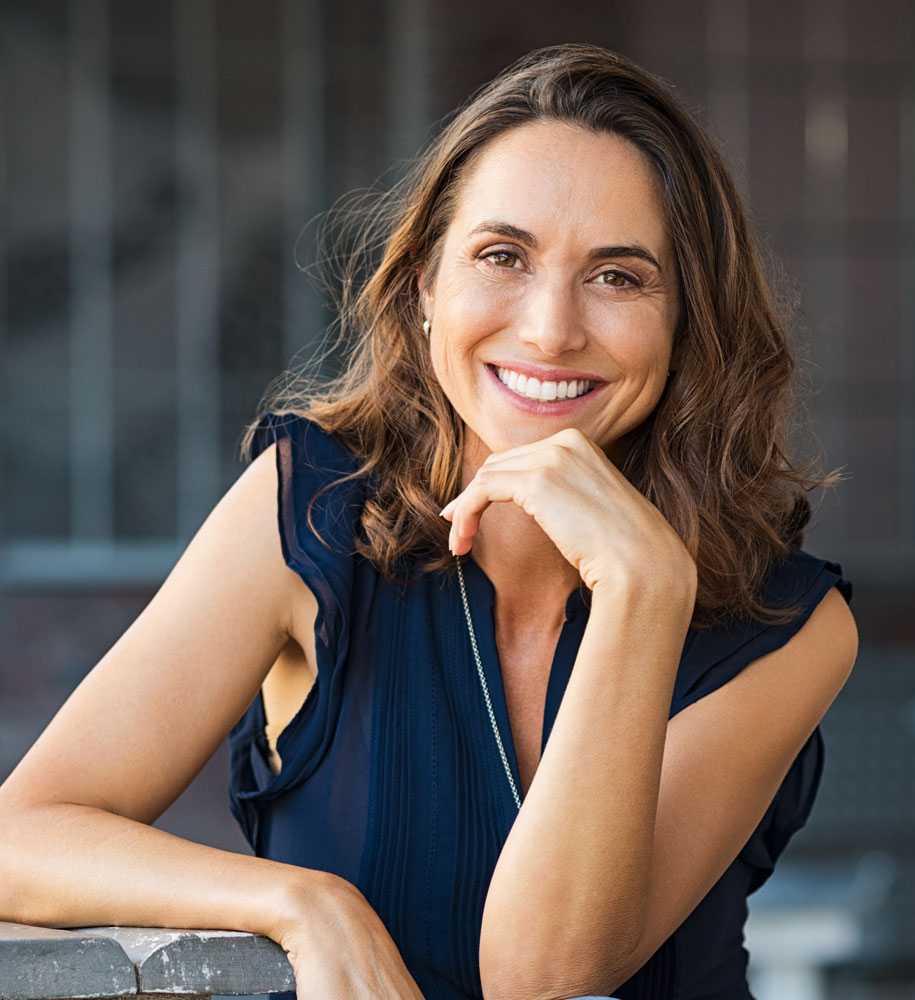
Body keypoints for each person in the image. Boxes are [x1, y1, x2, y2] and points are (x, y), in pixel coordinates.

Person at [0, 43, 856, 1000]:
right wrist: (302, 903)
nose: (548, 329)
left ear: (687, 323)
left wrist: (642, 597)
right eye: (501, 256)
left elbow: (541, 976)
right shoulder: (310, 508)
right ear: (422, 291)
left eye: (618, 277)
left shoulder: (791, 624)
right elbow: (19, 836)